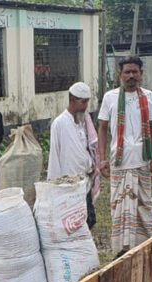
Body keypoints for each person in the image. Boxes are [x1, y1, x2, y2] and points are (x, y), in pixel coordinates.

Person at [97, 56, 152, 256]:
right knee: (119, 207)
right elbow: (103, 128)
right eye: (127, 72)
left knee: (143, 206)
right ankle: (121, 250)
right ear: (120, 75)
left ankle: (142, 247)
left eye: (135, 72)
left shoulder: (148, 96)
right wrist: (102, 159)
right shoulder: (110, 97)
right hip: (119, 161)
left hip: (142, 160)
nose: (131, 76)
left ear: (140, 74)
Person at [47, 82, 98, 229]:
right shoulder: (59, 123)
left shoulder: (84, 122)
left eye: (87, 102)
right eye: (82, 102)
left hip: (84, 181)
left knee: (88, 221)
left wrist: (91, 164)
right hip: (67, 183)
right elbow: (54, 155)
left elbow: (87, 148)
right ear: (72, 100)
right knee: (71, 224)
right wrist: (55, 184)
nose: (85, 106)